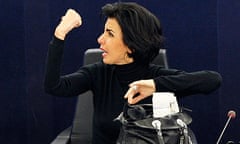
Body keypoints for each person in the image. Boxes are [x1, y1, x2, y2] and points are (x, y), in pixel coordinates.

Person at [44, 2, 222, 144]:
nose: (100, 39)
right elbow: (55, 86)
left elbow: (213, 80)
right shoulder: (98, 73)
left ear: (131, 44)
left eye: (110, 34)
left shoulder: (156, 76)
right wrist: (60, 34)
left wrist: (154, 86)